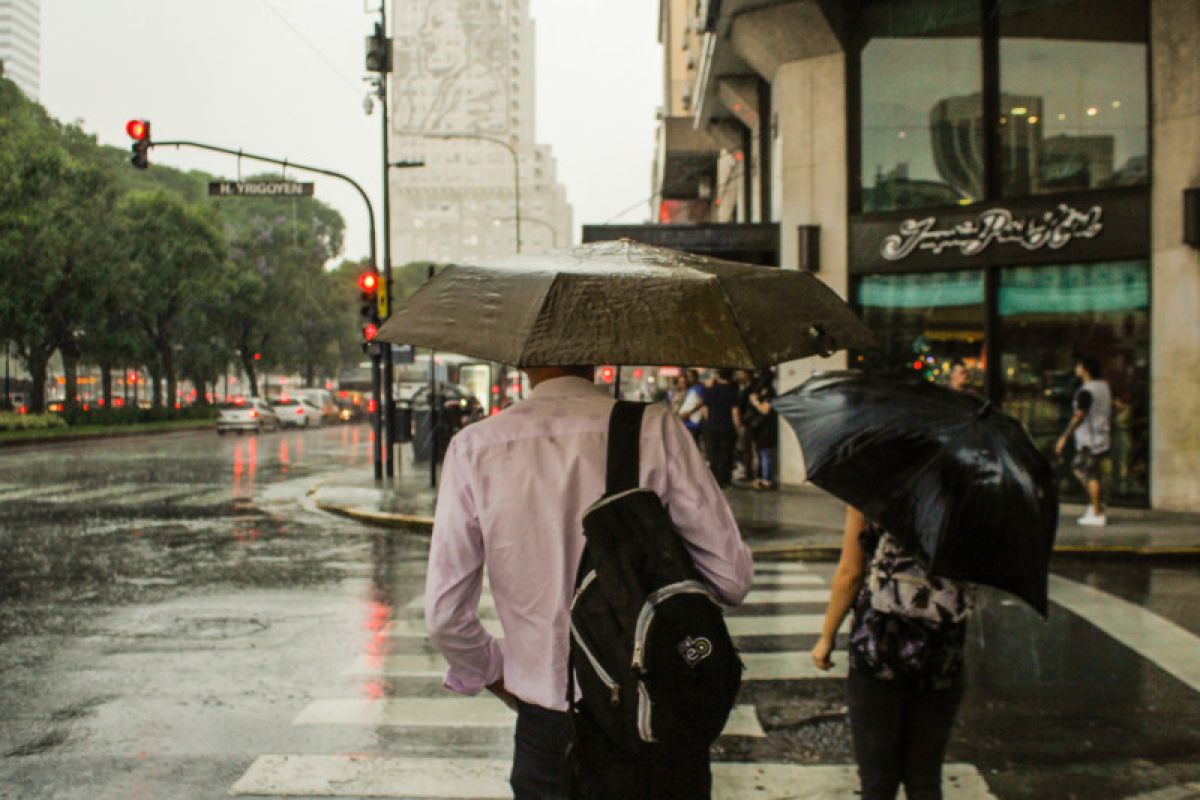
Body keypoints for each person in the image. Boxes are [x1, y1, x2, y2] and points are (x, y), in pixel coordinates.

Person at [425, 365, 754, 799]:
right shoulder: (654, 429)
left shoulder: (475, 448)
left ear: (524, 359)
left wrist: (498, 673)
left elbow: (446, 617)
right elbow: (731, 577)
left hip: (550, 732)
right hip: (655, 719)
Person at [812, 508, 973, 800]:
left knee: (877, 783)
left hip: (880, 648)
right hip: (942, 650)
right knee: (925, 780)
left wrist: (827, 637)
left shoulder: (874, 490)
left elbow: (850, 572)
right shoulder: (970, 496)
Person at [1055, 355, 1112, 526]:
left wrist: (1064, 437)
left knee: (1088, 472)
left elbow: (1079, 415)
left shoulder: (1086, 391)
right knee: (1084, 469)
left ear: (1085, 369)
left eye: (1079, 365)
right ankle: (1097, 505)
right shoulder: (1104, 387)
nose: (1076, 368)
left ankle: (1097, 512)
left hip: (1090, 439)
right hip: (1101, 436)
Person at [702, 369, 739, 488]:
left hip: (712, 426)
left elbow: (705, 409)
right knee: (725, 453)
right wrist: (737, 426)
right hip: (727, 426)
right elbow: (735, 411)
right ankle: (722, 480)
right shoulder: (733, 391)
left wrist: (708, 422)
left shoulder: (710, 390)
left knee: (713, 454)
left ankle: (713, 479)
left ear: (718, 375)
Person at [748, 370, 778, 490]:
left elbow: (765, 410)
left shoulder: (770, 392)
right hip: (760, 429)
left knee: (767, 454)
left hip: (767, 428)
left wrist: (755, 402)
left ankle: (767, 479)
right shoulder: (760, 391)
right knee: (761, 453)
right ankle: (762, 478)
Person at [732, 370, 756, 483]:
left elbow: (737, 408)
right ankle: (746, 471)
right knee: (744, 449)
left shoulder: (748, 390)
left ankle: (747, 472)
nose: (739, 376)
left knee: (745, 449)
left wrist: (739, 424)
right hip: (746, 423)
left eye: (741, 373)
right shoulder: (742, 389)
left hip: (746, 424)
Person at [677, 368, 707, 449]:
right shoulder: (689, 389)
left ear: (695, 377)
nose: (688, 378)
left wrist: (689, 413)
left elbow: (702, 402)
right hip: (685, 423)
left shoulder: (700, 388)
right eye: (687, 376)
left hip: (693, 424)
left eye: (690, 376)